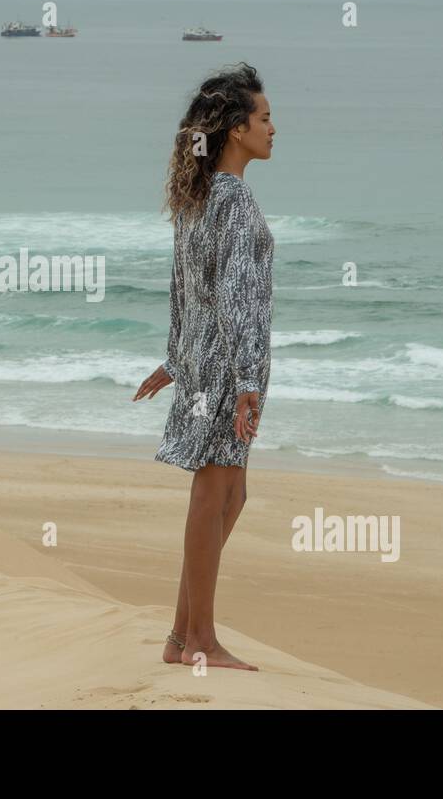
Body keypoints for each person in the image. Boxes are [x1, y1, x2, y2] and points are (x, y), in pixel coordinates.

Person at [132, 62, 276, 671]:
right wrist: (245, 381)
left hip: (203, 360)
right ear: (237, 129)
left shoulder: (197, 197)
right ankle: (201, 642)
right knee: (214, 491)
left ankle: (180, 633)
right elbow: (236, 290)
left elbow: (183, 287)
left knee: (230, 494)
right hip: (226, 366)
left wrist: (174, 357)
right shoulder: (235, 198)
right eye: (265, 119)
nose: (274, 128)